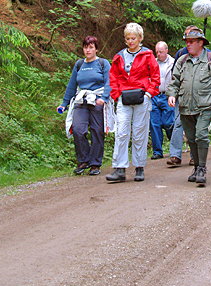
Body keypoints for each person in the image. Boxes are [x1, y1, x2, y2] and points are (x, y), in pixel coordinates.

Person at [167, 27, 211, 186]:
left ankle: (202, 168)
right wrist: (172, 95)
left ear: (201, 43)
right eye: (187, 42)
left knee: (201, 136)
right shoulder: (182, 60)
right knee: (192, 139)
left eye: (192, 42)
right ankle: (196, 168)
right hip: (185, 106)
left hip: (204, 106)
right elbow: (174, 81)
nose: (188, 44)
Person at [106, 23, 160, 182]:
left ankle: (139, 167)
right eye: (128, 38)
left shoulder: (147, 55)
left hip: (141, 98)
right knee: (121, 132)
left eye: (133, 38)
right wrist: (116, 95)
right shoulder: (119, 56)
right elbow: (113, 77)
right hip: (124, 98)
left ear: (140, 38)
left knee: (139, 133)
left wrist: (149, 94)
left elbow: (155, 77)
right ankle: (119, 168)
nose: (130, 41)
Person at [58, 36, 112, 176]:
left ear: (96, 49)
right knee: (77, 129)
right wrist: (64, 103)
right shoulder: (79, 64)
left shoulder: (103, 63)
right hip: (81, 100)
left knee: (97, 131)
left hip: (97, 100)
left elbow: (109, 82)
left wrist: (104, 98)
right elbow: (72, 85)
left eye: (91, 47)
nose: (88, 50)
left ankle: (95, 164)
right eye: (86, 47)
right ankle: (83, 160)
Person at [167, 25, 203, 167]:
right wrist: (173, 93)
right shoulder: (181, 54)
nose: (188, 41)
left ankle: (196, 155)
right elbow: (175, 75)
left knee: (197, 125)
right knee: (178, 123)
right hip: (182, 95)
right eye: (186, 37)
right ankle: (175, 155)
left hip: (199, 96)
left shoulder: (208, 55)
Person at [149, 41, 176, 160]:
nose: (159, 54)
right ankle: (157, 151)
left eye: (161, 52)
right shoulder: (153, 63)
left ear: (167, 51)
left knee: (168, 123)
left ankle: (174, 146)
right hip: (154, 95)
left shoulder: (174, 63)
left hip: (167, 95)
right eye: (157, 52)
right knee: (154, 123)